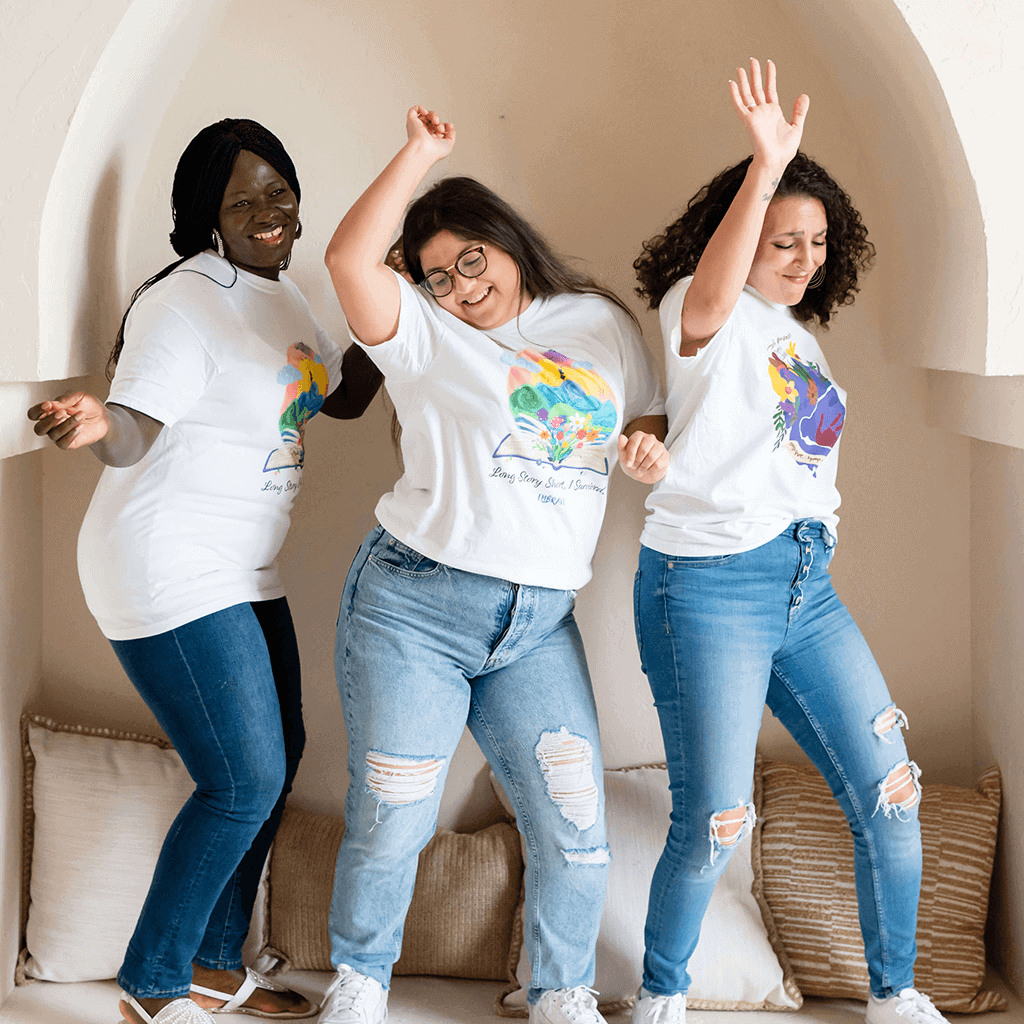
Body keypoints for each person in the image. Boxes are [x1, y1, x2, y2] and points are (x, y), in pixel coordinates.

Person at [317, 106, 669, 1024]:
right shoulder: (424, 335)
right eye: (438, 275)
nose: (462, 286)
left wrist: (645, 443)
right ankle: (360, 984)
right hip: (414, 607)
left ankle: (559, 991)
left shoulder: (598, 322)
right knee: (395, 813)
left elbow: (647, 410)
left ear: (507, 242)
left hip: (539, 621)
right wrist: (418, 155)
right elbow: (349, 260)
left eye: (472, 259)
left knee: (576, 821)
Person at [28, 118, 382, 1024]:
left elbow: (338, 396)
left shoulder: (281, 292)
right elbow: (132, 429)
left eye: (278, 191)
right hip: (167, 560)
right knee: (242, 781)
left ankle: (215, 965)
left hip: (244, 565)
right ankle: (151, 985)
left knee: (279, 761)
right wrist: (98, 425)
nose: (267, 211)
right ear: (205, 217)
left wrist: (395, 312)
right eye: (241, 200)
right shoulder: (185, 301)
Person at [629, 60, 947, 1024]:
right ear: (742, 235)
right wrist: (766, 164)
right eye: (783, 240)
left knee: (893, 795)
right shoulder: (702, 306)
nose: (805, 257)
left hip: (807, 586)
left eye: (817, 241)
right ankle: (662, 997)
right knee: (715, 820)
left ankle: (895, 994)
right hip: (708, 587)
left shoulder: (796, 338)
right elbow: (713, 299)